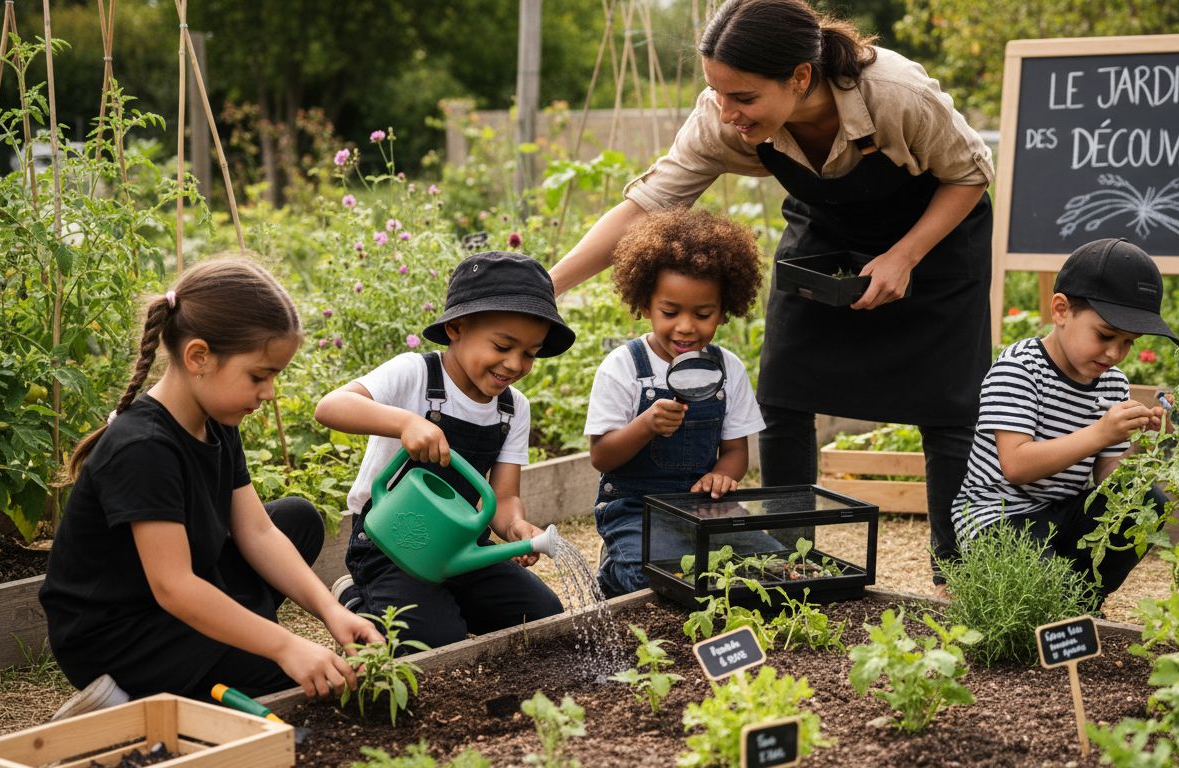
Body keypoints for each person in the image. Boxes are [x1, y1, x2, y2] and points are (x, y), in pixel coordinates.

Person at [548, 0, 994, 592]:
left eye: (743, 98)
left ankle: (957, 575)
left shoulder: (894, 93)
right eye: (717, 92)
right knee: (785, 395)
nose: (726, 111)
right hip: (827, 233)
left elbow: (970, 173)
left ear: (800, 78)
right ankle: (789, 563)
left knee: (949, 408)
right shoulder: (721, 116)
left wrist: (905, 255)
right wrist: (544, 288)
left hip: (935, 240)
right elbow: (648, 204)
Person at [40, 258, 383, 721]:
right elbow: (175, 588)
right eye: (259, 376)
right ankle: (123, 697)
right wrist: (285, 646)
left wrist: (329, 610)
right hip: (120, 636)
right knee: (290, 681)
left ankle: (229, 640)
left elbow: (258, 533)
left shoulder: (215, 421)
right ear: (198, 357)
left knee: (296, 520)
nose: (269, 393)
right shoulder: (143, 448)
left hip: (173, 596)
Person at [316, 251, 570, 649]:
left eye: (530, 354)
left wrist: (517, 528)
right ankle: (354, 596)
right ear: (455, 327)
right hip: (392, 542)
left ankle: (438, 602)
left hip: (462, 546)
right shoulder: (415, 375)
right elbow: (330, 407)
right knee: (430, 641)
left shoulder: (512, 408)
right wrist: (405, 422)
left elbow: (504, 498)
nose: (515, 363)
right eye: (503, 345)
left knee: (541, 617)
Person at [950, 238, 1179, 606]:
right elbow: (1016, 465)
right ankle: (1057, 602)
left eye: (1128, 342)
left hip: (1063, 517)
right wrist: (1101, 432)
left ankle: (1080, 601)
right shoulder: (1018, 370)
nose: (1114, 353)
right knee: (1041, 595)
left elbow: (1109, 479)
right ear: (1061, 310)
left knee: (1144, 502)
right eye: (1104, 335)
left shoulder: (1113, 384)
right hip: (998, 520)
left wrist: (1141, 442)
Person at [584, 209, 781, 596]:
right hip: (634, 508)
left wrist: (723, 475)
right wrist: (645, 425)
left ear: (724, 312)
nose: (686, 326)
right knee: (659, 582)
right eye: (670, 312)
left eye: (703, 313)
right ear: (645, 306)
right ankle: (612, 572)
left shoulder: (728, 369)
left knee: (772, 567)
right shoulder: (624, 367)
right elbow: (601, 457)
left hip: (704, 507)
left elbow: (735, 452)